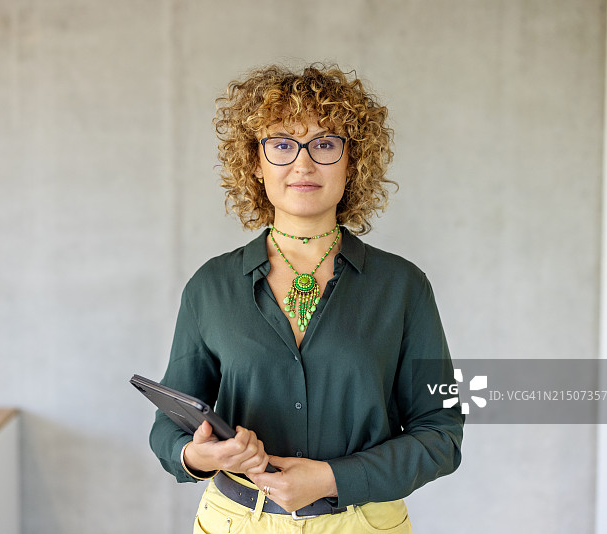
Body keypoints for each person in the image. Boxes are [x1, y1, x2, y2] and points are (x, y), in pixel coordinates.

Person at [149, 63, 464, 533]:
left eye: (324, 143)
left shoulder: (403, 287)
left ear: (352, 159)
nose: (302, 163)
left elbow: (441, 435)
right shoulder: (210, 286)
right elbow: (168, 430)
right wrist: (195, 454)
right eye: (280, 143)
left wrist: (334, 477)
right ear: (254, 162)